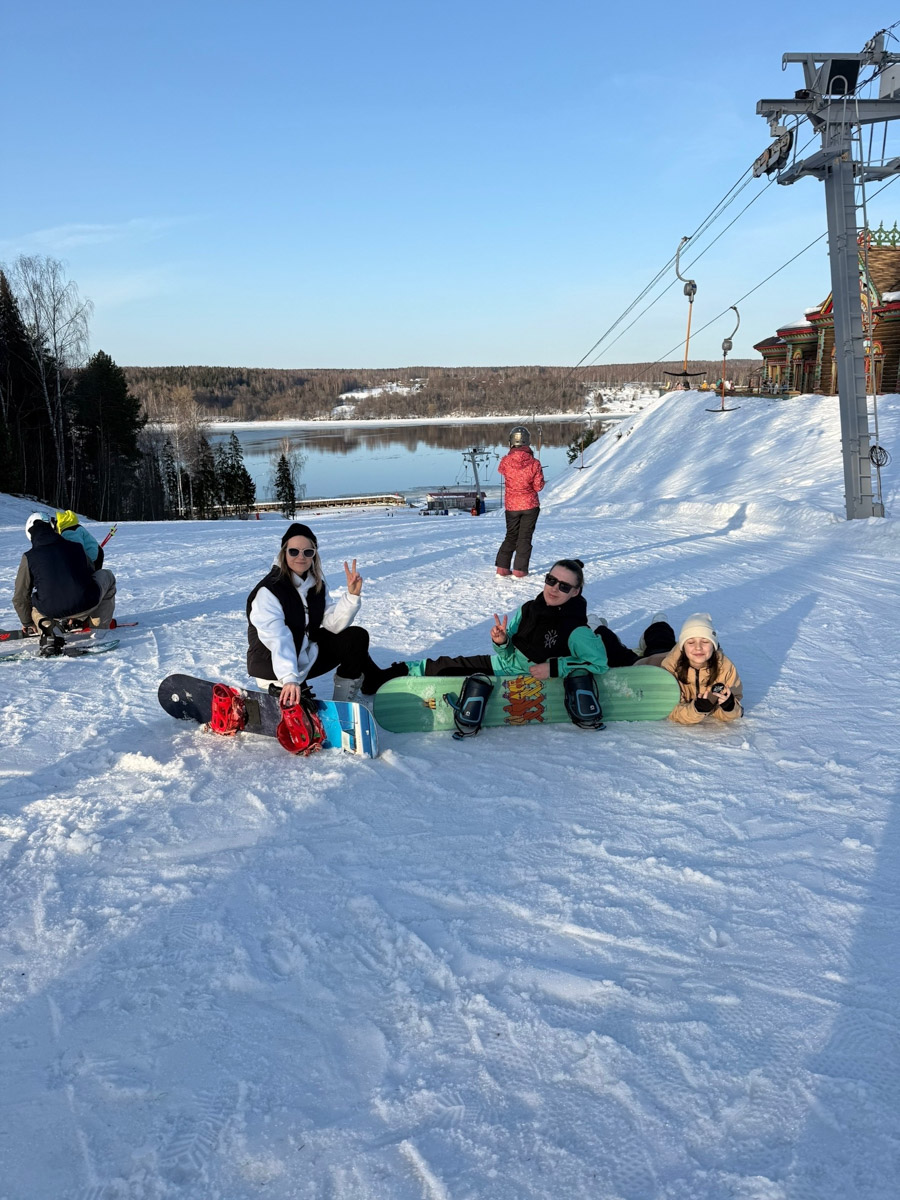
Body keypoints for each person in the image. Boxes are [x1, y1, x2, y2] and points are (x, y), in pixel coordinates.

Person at [246, 522, 405, 704]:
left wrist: (352, 596)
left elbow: (333, 624)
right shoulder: (269, 591)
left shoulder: (315, 585)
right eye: (294, 551)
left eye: (308, 552)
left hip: (302, 657)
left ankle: (342, 705)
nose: (301, 557)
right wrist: (289, 677)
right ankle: (289, 690)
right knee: (303, 716)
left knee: (356, 637)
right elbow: (277, 638)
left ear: (314, 555)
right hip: (275, 668)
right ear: (283, 552)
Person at [404, 559, 607, 679]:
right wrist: (502, 642)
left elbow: (598, 664)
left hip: (535, 678)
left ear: (575, 592)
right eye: (551, 580)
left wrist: (554, 668)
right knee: (447, 665)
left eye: (564, 586)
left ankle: (600, 626)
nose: (554, 588)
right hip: (507, 667)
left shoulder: (577, 630)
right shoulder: (529, 609)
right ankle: (396, 673)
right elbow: (509, 653)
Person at [593, 611, 743, 725]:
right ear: (683, 646)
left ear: (714, 645)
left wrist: (729, 706)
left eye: (705, 641)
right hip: (650, 667)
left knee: (661, 644)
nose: (698, 647)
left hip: (670, 654)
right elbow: (670, 709)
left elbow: (737, 707)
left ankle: (658, 625)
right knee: (619, 654)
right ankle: (597, 627)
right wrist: (696, 710)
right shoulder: (671, 666)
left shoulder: (725, 668)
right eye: (691, 642)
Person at [12, 512, 117, 639]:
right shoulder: (76, 547)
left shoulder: (29, 557)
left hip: (51, 610)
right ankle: (99, 628)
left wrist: (27, 622)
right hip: (87, 604)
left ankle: (49, 630)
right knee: (107, 575)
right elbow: (90, 573)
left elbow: (20, 597)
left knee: (34, 604)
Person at [495, 426, 544, 578]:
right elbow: (538, 486)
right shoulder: (534, 463)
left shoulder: (505, 461)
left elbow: (501, 471)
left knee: (511, 535)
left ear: (511, 442)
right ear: (528, 442)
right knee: (524, 537)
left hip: (512, 505)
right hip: (530, 504)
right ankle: (520, 570)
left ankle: (502, 568)